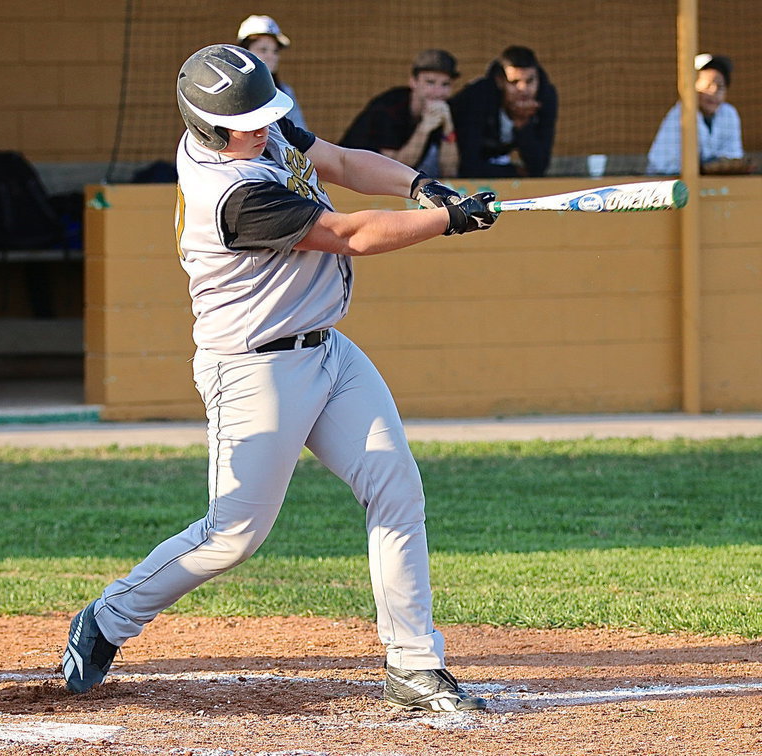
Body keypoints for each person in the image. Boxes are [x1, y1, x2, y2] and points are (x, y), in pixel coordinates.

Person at [62, 43, 498, 713]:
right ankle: (108, 619)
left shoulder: (258, 128)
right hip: (254, 369)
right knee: (234, 536)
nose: (265, 129)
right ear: (210, 127)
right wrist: (444, 222)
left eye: (266, 116)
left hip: (328, 351)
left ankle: (414, 665)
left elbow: (346, 163)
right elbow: (349, 234)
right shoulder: (233, 195)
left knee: (395, 487)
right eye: (248, 124)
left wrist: (420, 187)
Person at [339, 49, 461, 178]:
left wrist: (448, 127)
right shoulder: (389, 108)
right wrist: (424, 129)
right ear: (413, 82)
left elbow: (450, 172)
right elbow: (395, 169)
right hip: (348, 177)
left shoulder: (448, 108)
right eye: (430, 82)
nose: (438, 92)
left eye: (445, 84)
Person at [450, 45, 558, 178]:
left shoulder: (545, 97)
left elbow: (539, 166)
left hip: (498, 158)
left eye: (530, 81)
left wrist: (523, 125)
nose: (523, 89)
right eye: (514, 82)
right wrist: (515, 172)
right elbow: (468, 163)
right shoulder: (478, 96)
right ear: (500, 81)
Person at [647, 53, 746, 175]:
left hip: (713, 186)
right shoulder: (680, 114)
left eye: (720, 87)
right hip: (667, 183)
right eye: (708, 84)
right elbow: (665, 165)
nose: (714, 91)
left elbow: (733, 155)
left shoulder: (729, 113)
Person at [236, 14, 307, 130]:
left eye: (275, 51)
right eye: (263, 50)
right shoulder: (228, 90)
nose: (271, 56)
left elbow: (301, 133)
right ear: (244, 51)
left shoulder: (286, 92)